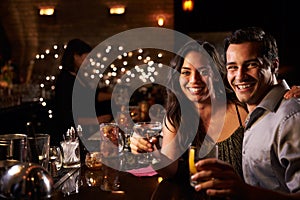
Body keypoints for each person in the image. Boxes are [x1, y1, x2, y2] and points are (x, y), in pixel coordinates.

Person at [192, 27, 300, 199]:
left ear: (274, 65)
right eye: (233, 67)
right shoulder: (253, 111)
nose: (240, 76)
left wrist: (245, 192)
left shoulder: (291, 118)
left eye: (251, 65)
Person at [54, 39, 112, 146]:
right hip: (73, 137)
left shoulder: (78, 76)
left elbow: (93, 97)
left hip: (87, 131)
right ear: (76, 56)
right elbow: (67, 115)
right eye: (87, 57)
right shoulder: (65, 80)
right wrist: (96, 120)